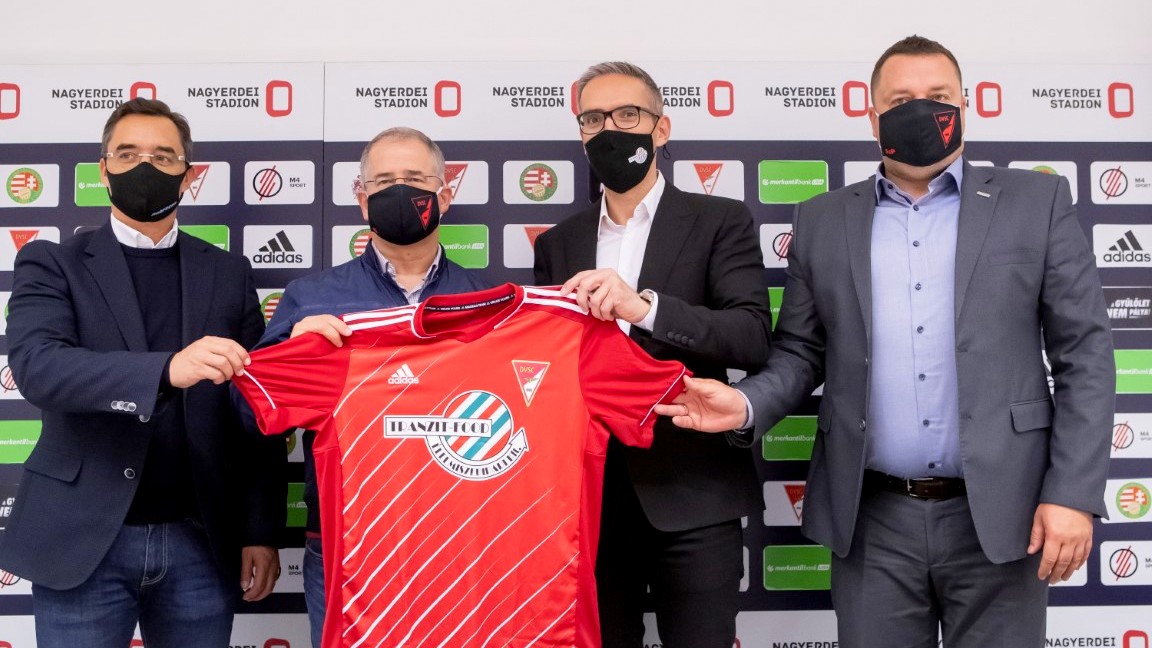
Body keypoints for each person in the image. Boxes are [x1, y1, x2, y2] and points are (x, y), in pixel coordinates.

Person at [656, 35, 1115, 648]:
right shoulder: (821, 219)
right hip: (872, 521)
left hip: (1008, 512)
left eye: (939, 96)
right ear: (871, 116)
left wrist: (1072, 494)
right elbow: (801, 351)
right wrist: (745, 404)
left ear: (966, 105)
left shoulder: (1036, 202)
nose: (921, 110)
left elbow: (1085, 354)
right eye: (900, 100)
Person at [0, 98, 285, 647]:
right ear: (103, 170)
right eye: (127, 154)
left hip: (200, 541)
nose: (145, 167)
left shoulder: (228, 273)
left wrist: (259, 529)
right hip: (81, 541)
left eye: (163, 156)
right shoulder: (52, 263)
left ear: (188, 175)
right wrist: (166, 370)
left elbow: (256, 411)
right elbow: (39, 368)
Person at [533, 61, 773, 647]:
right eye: (593, 119)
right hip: (588, 504)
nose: (609, 129)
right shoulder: (560, 241)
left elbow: (750, 336)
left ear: (660, 129)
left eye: (627, 114)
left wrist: (645, 309)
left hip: (694, 495)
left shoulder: (720, 221)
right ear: (581, 134)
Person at [235, 126, 489, 648]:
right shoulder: (311, 298)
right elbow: (250, 416)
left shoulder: (490, 300)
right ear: (361, 198)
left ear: (444, 195)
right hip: (345, 543)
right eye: (384, 181)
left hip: (464, 542)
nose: (400, 190)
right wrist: (290, 357)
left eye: (415, 179)